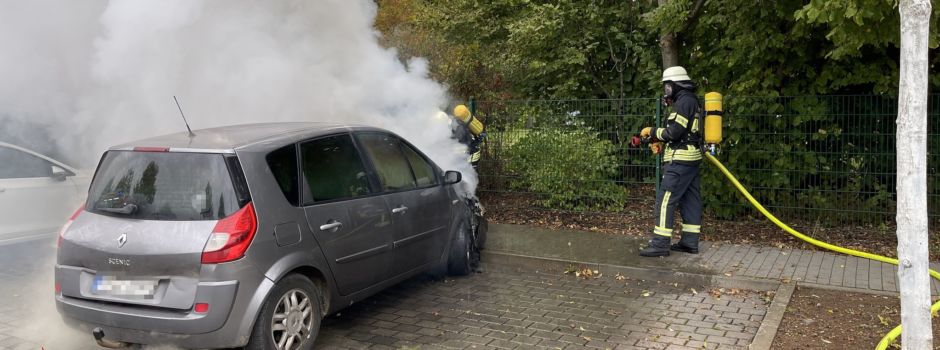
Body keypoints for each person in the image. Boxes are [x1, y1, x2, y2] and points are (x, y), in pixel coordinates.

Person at [638, 66, 704, 257]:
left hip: (680, 160)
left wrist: (652, 132)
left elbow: (674, 132)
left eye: (667, 86)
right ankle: (689, 242)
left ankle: (660, 243)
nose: (666, 90)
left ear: (676, 85)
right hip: (691, 158)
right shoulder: (691, 100)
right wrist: (660, 140)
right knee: (690, 200)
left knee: (665, 200)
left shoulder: (684, 102)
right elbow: (682, 133)